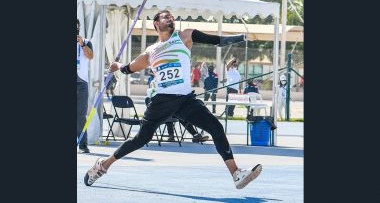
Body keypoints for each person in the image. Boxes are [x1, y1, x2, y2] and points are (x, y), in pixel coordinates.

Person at [84, 10, 262, 189]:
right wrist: (117, 66)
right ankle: (104, 165)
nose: (170, 19)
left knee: (215, 127)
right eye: (165, 17)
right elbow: (129, 68)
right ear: (156, 24)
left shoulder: (184, 36)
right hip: (162, 101)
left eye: (171, 17)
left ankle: (236, 174)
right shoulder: (150, 52)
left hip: (185, 100)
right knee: (141, 139)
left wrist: (241, 37)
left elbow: (217, 40)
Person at [77, 19, 94, 153]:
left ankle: (83, 144)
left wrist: (82, 44)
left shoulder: (86, 42)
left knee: (81, 115)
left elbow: (90, 56)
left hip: (81, 82)